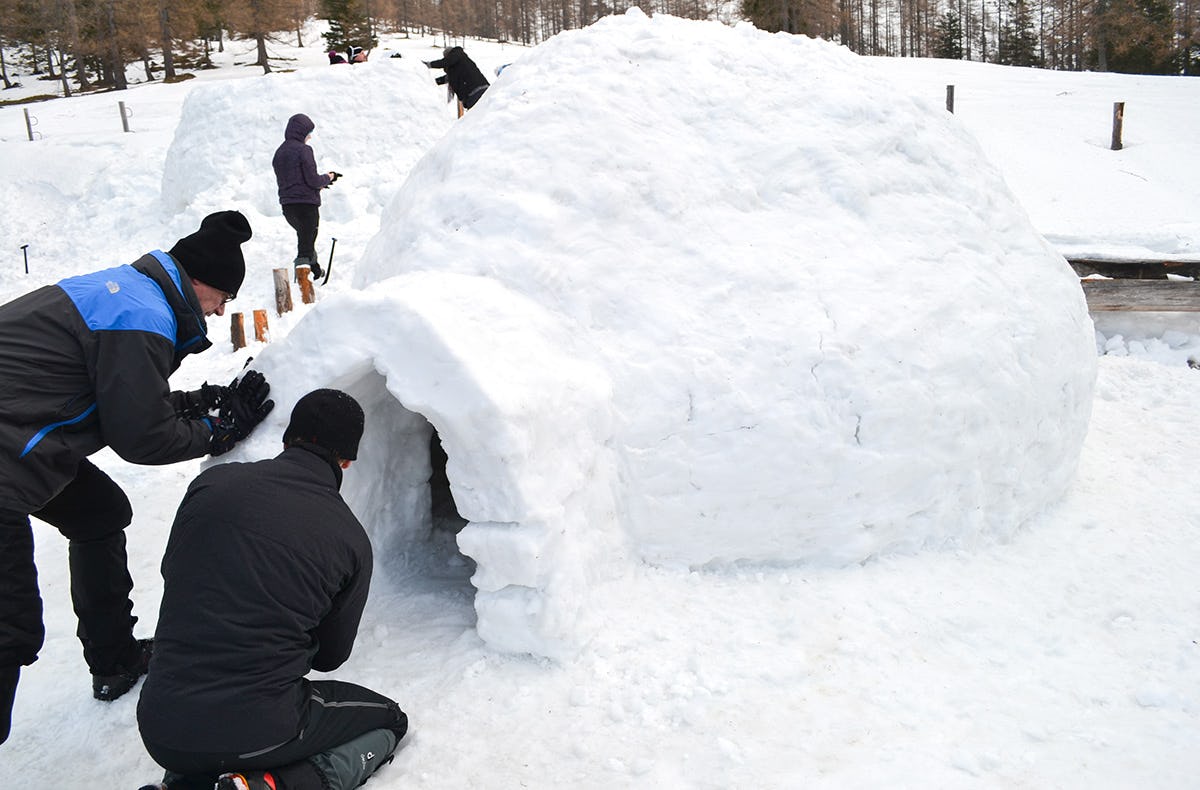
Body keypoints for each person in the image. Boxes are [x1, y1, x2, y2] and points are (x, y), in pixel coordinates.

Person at [0, 210, 275, 745]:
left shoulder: (129, 294)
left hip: (18, 436)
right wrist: (217, 434)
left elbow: (118, 398)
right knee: (8, 629)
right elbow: (141, 438)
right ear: (200, 284)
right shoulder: (141, 315)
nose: (219, 315)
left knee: (99, 511)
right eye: (222, 300)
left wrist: (196, 403)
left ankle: (114, 659)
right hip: (8, 452)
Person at [137, 389, 408, 790]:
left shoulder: (211, 485)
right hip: (261, 728)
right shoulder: (349, 539)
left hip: (159, 725)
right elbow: (331, 657)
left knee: (209, 736)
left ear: (287, 438)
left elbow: (174, 571)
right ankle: (271, 785)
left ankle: (188, 782)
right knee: (389, 719)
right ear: (347, 460)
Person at [271, 113, 338, 281]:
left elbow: (296, 181)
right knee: (305, 244)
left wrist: (319, 185)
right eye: (308, 132)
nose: (309, 136)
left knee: (306, 239)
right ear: (301, 132)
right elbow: (313, 180)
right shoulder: (304, 150)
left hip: (288, 207)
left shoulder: (279, 152)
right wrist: (329, 177)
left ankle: (315, 271)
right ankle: (302, 286)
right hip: (306, 207)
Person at [426, 46, 489, 110]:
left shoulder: (457, 54)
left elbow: (446, 62)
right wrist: (429, 81)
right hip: (479, 93)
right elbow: (448, 78)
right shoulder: (459, 66)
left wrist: (429, 64)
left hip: (476, 92)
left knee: (477, 117)